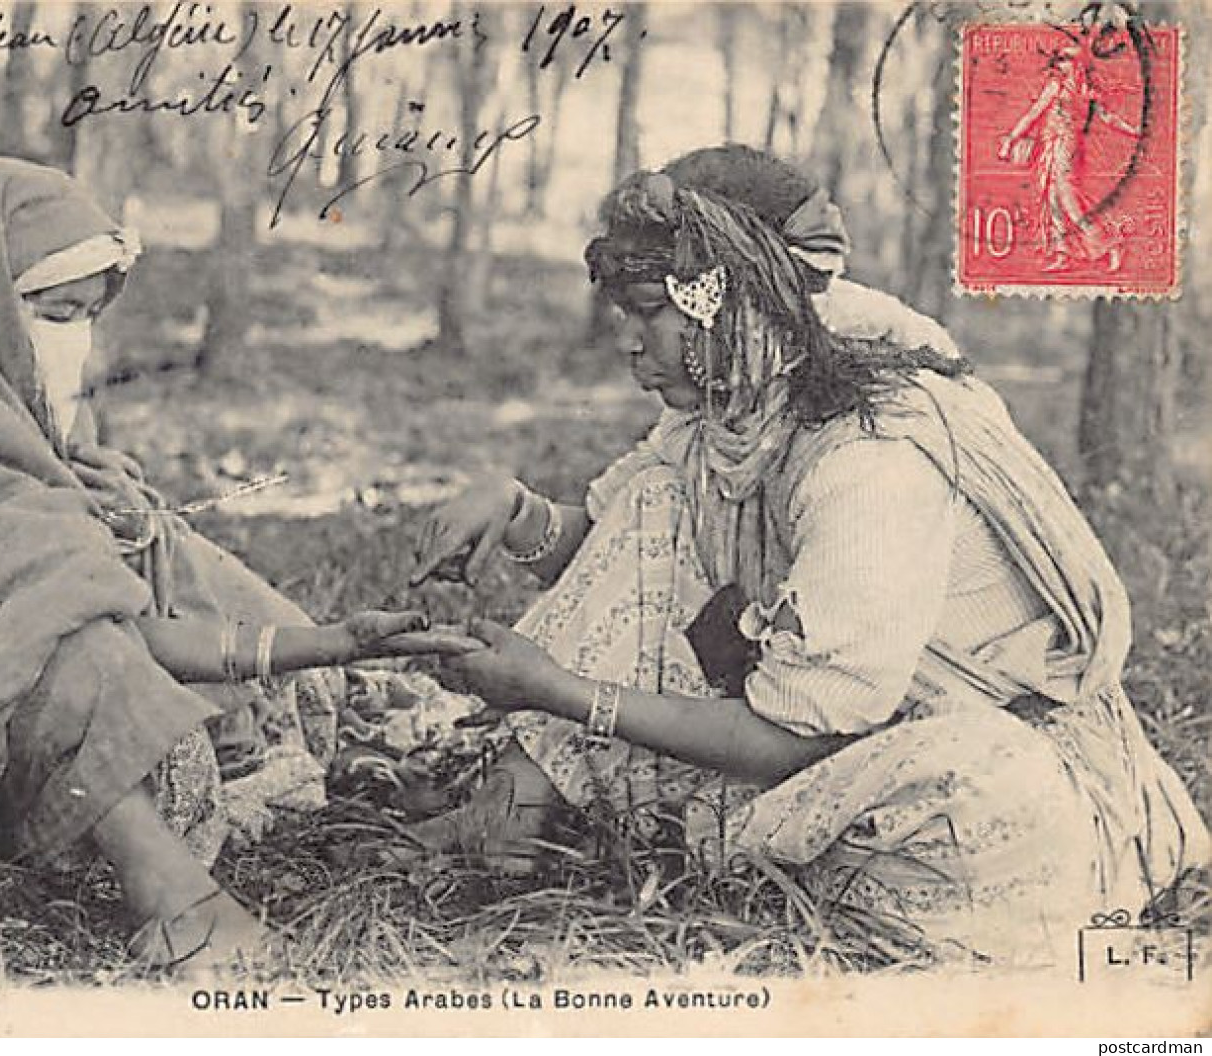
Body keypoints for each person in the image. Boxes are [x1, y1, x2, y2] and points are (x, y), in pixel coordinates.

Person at [408, 146, 1209, 965]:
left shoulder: (872, 452)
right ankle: (519, 806)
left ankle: (653, 835)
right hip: (838, 729)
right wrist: (515, 511)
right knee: (653, 497)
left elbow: (797, 733)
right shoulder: (738, 391)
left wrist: (562, 693)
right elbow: (625, 550)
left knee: (989, 790)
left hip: (960, 755)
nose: (629, 343)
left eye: (650, 310)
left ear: (735, 305)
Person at [0, 159, 476, 969]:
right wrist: (57, 556)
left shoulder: (24, 410)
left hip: (0, 672)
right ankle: (177, 905)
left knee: (143, 553)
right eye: (54, 313)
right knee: (39, 584)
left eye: (89, 316)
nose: (78, 343)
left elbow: (118, 609)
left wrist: (328, 642)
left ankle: (383, 749)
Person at [997, 41, 1140, 273]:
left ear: (1076, 65)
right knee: (1053, 198)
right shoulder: (1073, 88)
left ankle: (1109, 244)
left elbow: (1107, 118)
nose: (1059, 64)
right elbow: (1036, 114)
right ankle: (1062, 253)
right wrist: (1012, 138)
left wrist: (1133, 131)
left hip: (1065, 147)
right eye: (1059, 60)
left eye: (1064, 60)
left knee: (1067, 200)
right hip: (1054, 145)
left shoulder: (1073, 89)